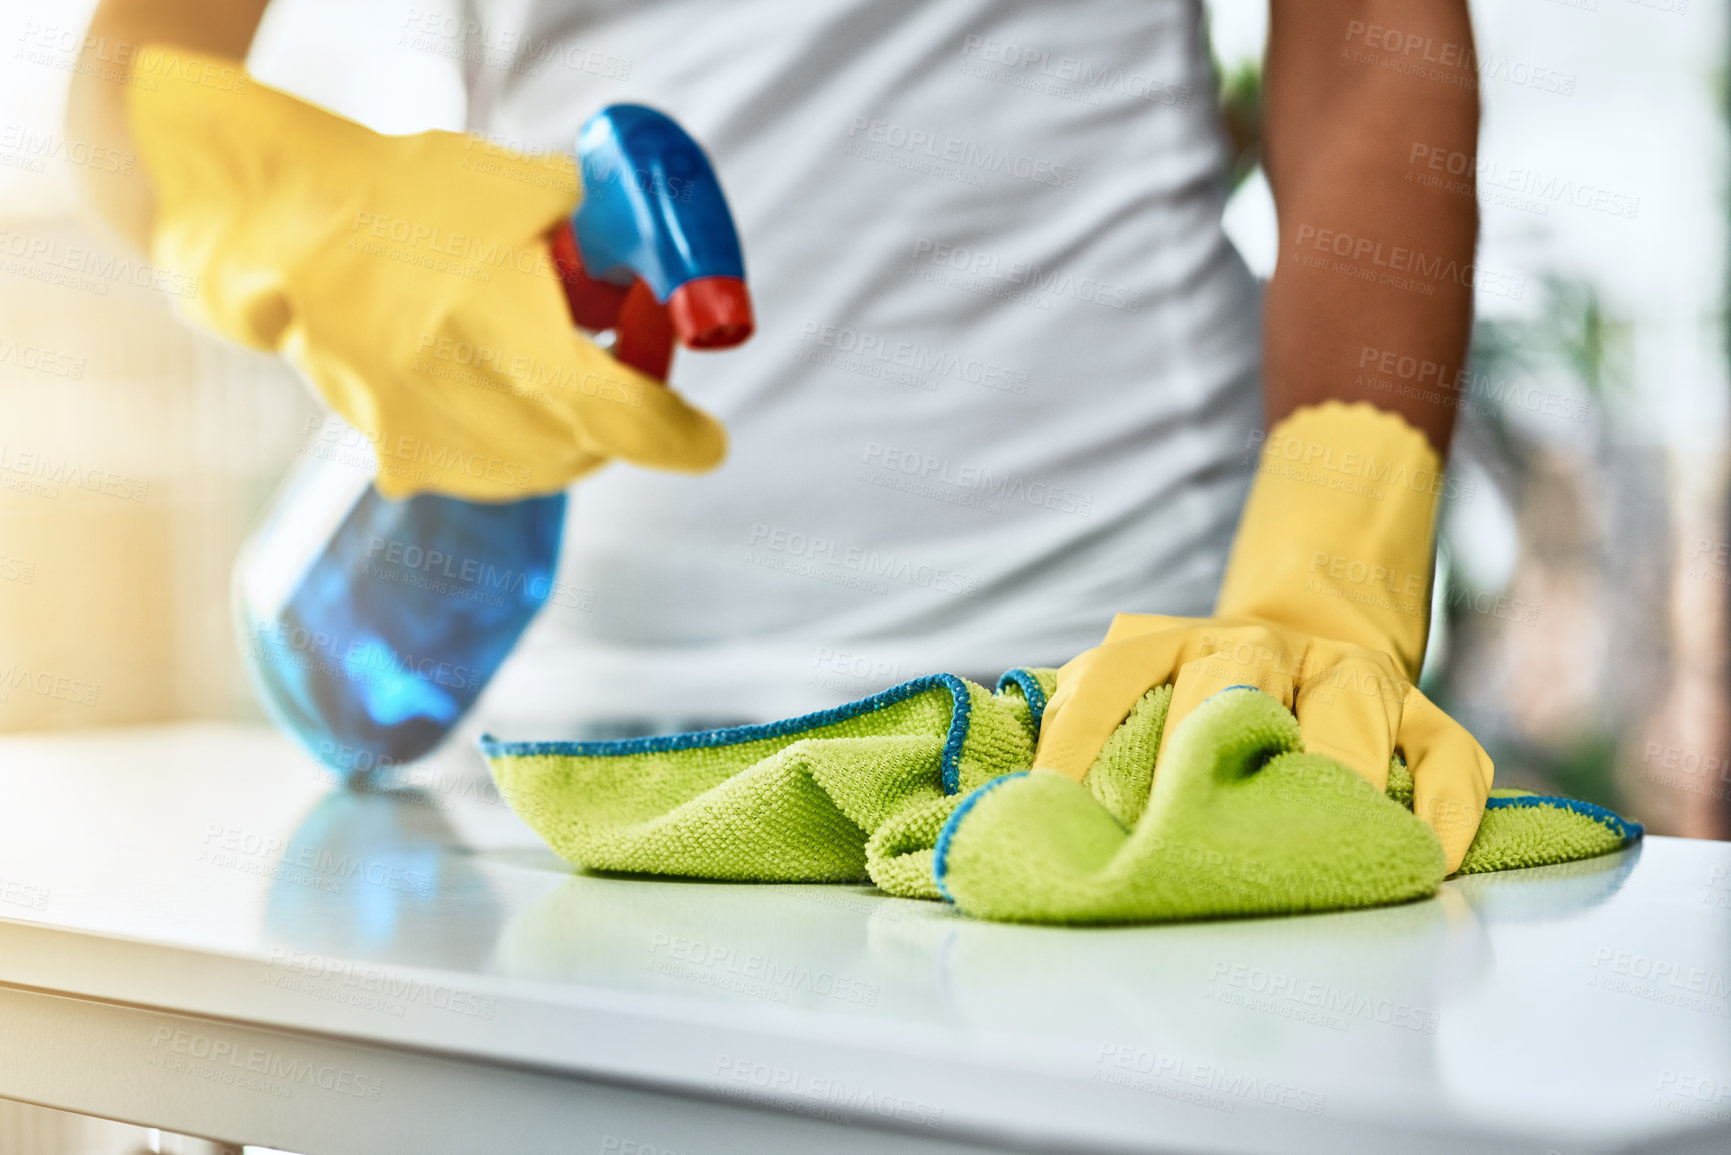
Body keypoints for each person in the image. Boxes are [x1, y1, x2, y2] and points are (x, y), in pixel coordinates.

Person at [67, 0, 1493, 870]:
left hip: (1086, 716)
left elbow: (1370, 32)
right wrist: (331, 225)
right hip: (553, 770)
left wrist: (1336, 542)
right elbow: (132, 64)